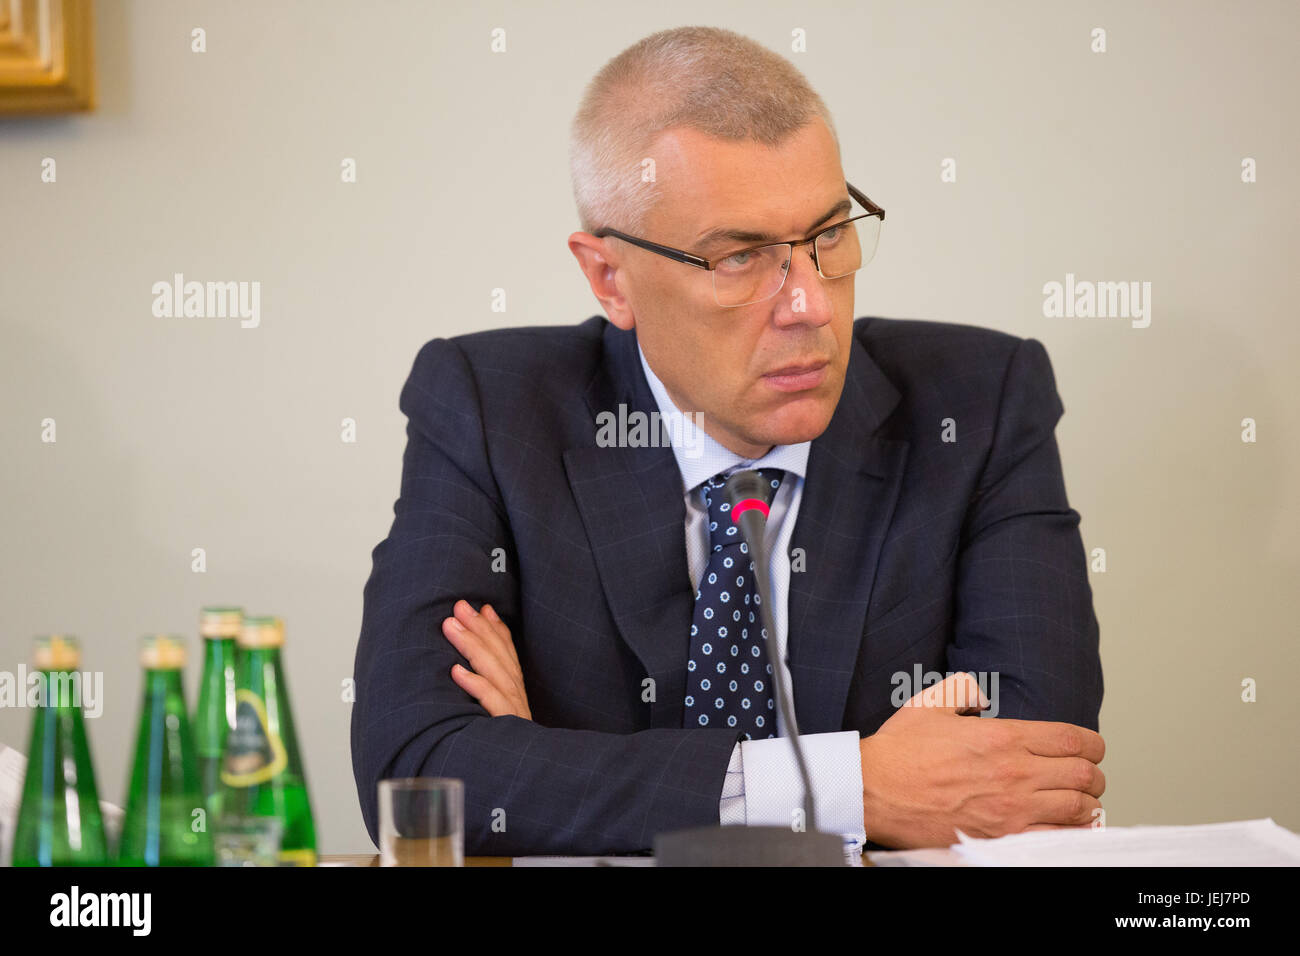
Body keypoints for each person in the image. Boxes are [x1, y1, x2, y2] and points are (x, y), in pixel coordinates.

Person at [350, 25, 1104, 856]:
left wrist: (553, 764)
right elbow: (417, 773)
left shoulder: (980, 403)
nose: (810, 305)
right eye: (742, 257)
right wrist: (855, 786)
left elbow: (1039, 775)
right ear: (610, 278)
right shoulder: (492, 409)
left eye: (828, 237)